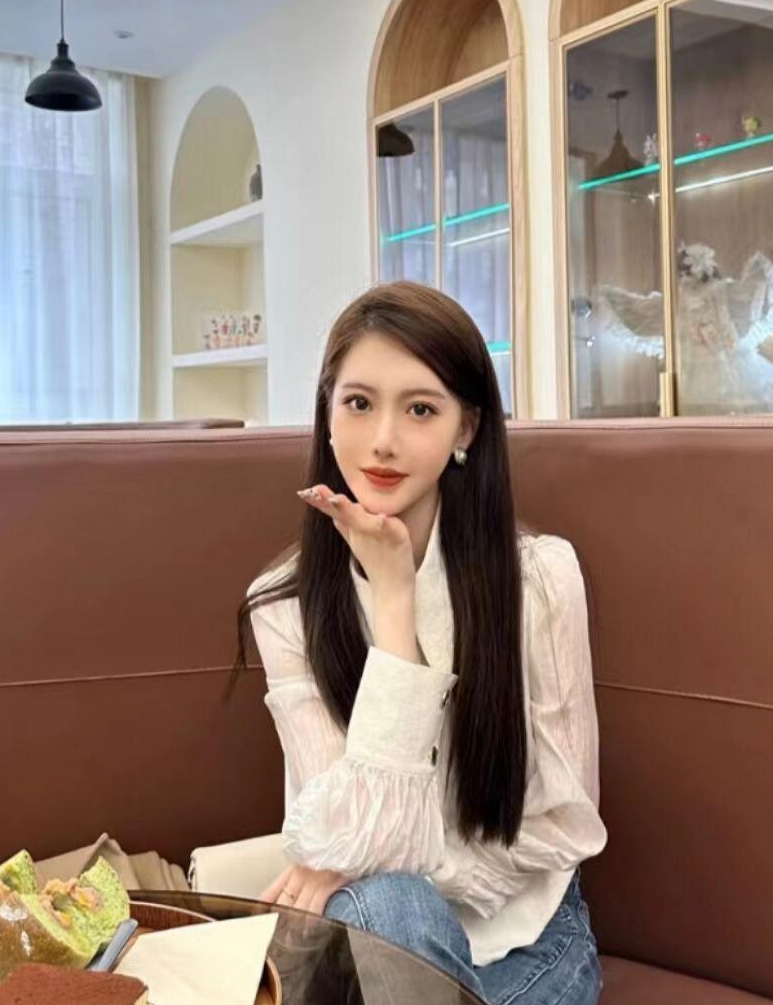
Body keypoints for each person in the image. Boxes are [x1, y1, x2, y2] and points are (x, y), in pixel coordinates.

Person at [234, 282, 606, 1004]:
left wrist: (379, 857)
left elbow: (565, 822)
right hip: (379, 944)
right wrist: (394, 602)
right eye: (358, 402)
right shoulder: (282, 604)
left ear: (466, 430)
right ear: (327, 412)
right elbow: (340, 828)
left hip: (525, 940)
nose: (382, 440)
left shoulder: (539, 578)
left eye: (420, 410)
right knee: (393, 902)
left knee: (393, 890)